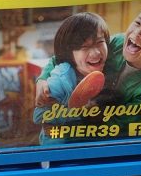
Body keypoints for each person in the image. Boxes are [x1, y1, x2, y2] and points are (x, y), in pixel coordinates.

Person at [35, 1, 141, 133]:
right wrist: (42, 80)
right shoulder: (117, 43)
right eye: (137, 23)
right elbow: (63, 56)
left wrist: (73, 124)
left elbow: (119, 128)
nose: (137, 33)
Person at [32, 12, 109, 144]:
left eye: (100, 42)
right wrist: (77, 112)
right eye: (84, 47)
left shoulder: (110, 64)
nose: (96, 52)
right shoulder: (61, 80)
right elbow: (38, 117)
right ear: (69, 53)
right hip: (61, 151)